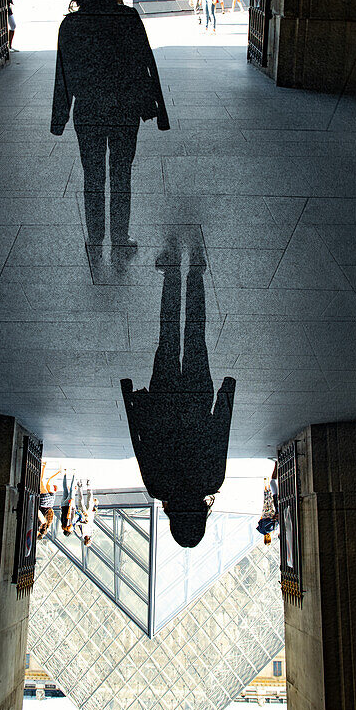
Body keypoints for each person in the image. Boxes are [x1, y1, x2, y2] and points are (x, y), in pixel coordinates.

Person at [121, 234, 236, 548]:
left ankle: (195, 270)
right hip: (164, 397)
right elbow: (140, 441)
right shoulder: (158, 487)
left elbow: (220, 434)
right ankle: (172, 269)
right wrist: (133, 401)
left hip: (198, 397)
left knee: (196, 334)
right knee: (168, 333)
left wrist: (225, 396)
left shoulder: (212, 481)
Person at [51, 0, 170, 250]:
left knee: (92, 175)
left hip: (88, 108)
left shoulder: (71, 24)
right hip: (123, 107)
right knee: (121, 174)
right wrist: (157, 109)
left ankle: (95, 237)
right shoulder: (128, 19)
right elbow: (146, 63)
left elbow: (63, 76)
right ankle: (119, 236)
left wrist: (59, 119)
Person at [75, 479, 97, 545]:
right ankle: (89, 486)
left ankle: (79, 486)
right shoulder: (91, 532)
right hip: (89, 514)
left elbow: (76, 524)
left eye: (87, 541)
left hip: (83, 515)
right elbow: (92, 522)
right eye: (89, 541)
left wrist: (83, 523)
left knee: (80, 500)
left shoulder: (80, 534)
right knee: (90, 499)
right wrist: (93, 512)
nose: (89, 540)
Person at [60, 470, 76, 536]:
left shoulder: (68, 524)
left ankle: (74, 475)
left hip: (68, 504)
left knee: (72, 490)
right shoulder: (63, 524)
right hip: (63, 505)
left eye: (71, 531)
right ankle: (65, 474)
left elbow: (69, 514)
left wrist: (71, 504)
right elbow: (62, 514)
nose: (72, 530)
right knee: (65, 489)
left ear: (68, 530)